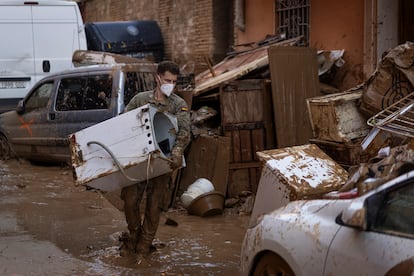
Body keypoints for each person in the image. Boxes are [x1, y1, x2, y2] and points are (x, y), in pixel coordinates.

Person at [119, 61, 191, 263]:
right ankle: (133, 235)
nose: (171, 84)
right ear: (157, 78)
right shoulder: (140, 100)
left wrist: (176, 153)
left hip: (163, 162)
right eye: (167, 80)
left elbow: (184, 133)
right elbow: (123, 124)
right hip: (139, 160)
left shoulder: (178, 104)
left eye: (174, 82)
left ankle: (144, 246)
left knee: (154, 205)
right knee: (130, 200)